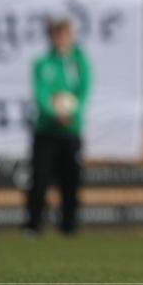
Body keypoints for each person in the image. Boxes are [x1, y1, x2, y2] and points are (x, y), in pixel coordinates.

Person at [24, 18, 92, 236]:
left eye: (65, 34)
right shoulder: (43, 64)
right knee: (40, 178)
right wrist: (55, 114)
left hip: (71, 131)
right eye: (57, 34)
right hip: (46, 130)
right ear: (52, 37)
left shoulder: (80, 62)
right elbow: (41, 94)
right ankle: (34, 225)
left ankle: (69, 225)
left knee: (71, 179)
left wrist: (73, 113)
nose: (62, 39)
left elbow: (84, 91)